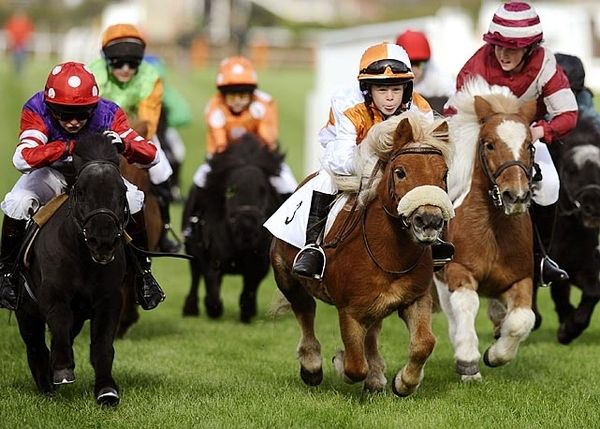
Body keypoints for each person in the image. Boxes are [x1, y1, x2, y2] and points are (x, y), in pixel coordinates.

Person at [264, 42, 453, 280]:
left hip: (397, 164)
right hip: (350, 155)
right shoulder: (347, 103)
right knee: (324, 180)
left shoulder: (419, 107)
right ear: (367, 89)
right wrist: (379, 168)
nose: (390, 99)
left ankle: (436, 239)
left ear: (406, 88)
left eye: (396, 89)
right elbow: (342, 158)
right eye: (382, 90)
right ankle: (312, 248)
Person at [0, 61, 165, 311]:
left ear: (93, 107)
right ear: (51, 106)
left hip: (95, 178)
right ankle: (6, 275)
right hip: (51, 174)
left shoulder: (108, 112)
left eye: (82, 113)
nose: (74, 122)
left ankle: (143, 274)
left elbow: (153, 156)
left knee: (134, 199)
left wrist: (124, 143)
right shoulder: (36, 108)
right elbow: (22, 158)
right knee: (17, 202)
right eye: (65, 114)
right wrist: (68, 147)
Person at [447, 1, 578, 286]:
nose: (503, 54)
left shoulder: (546, 64)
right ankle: (439, 247)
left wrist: (541, 131)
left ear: (530, 48)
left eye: (513, 47)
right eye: (498, 45)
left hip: (527, 137)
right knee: (451, 178)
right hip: (484, 140)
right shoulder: (478, 64)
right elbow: (453, 111)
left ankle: (540, 258)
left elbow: (568, 115)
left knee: (550, 184)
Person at [90, 23, 180, 253]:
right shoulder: (93, 74)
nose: (126, 68)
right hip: (99, 134)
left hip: (138, 133)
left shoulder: (150, 77)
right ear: (106, 59)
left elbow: (148, 120)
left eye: (133, 63)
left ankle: (164, 229)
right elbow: (90, 113)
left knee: (162, 170)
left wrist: (129, 139)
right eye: (118, 62)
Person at [183, 56, 298, 235]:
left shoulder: (265, 105)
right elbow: (220, 145)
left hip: (260, 157)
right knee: (199, 180)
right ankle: (190, 224)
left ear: (251, 94)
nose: (237, 100)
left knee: (288, 184)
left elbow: (267, 140)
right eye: (232, 95)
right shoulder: (214, 108)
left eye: (243, 95)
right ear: (223, 95)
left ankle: (294, 228)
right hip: (224, 158)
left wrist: (251, 158)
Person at [144, 54, 193, 202]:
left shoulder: (166, 92)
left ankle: (174, 188)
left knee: (178, 153)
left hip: (163, 129)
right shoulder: (138, 91)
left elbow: (184, 114)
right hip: (143, 131)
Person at [395, 29, 454, 110]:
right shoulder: (391, 85)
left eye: (420, 63)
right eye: (409, 63)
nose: (415, 69)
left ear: (428, 62)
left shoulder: (441, 83)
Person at [4, 10, 35, 74]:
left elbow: (29, 32)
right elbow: (8, 32)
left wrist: (26, 40)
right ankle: (15, 70)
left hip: (22, 44)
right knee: (14, 58)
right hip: (14, 44)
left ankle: (21, 71)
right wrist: (10, 40)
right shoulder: (12, 22)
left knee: (22, 58)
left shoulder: (26, 22)